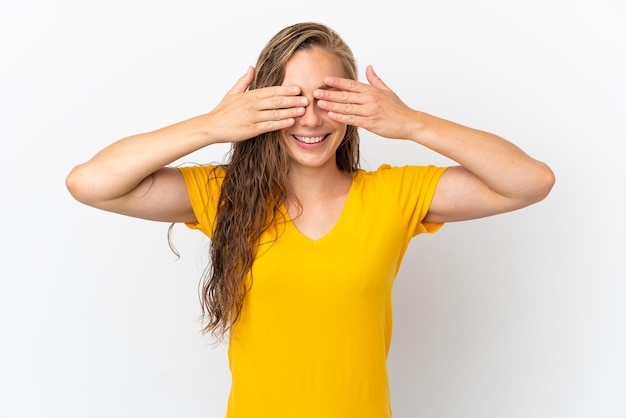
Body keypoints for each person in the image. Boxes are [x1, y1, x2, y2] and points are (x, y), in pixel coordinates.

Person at [66, 21, 554, 418]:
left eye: (327, 97)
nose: (311, 118)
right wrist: (211, 126)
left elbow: (531, 180)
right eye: (291, 98)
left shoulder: (393, 195)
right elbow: (89, 183)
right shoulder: (225, 196)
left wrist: (410, 122)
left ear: (354, 106)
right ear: (262, 104)